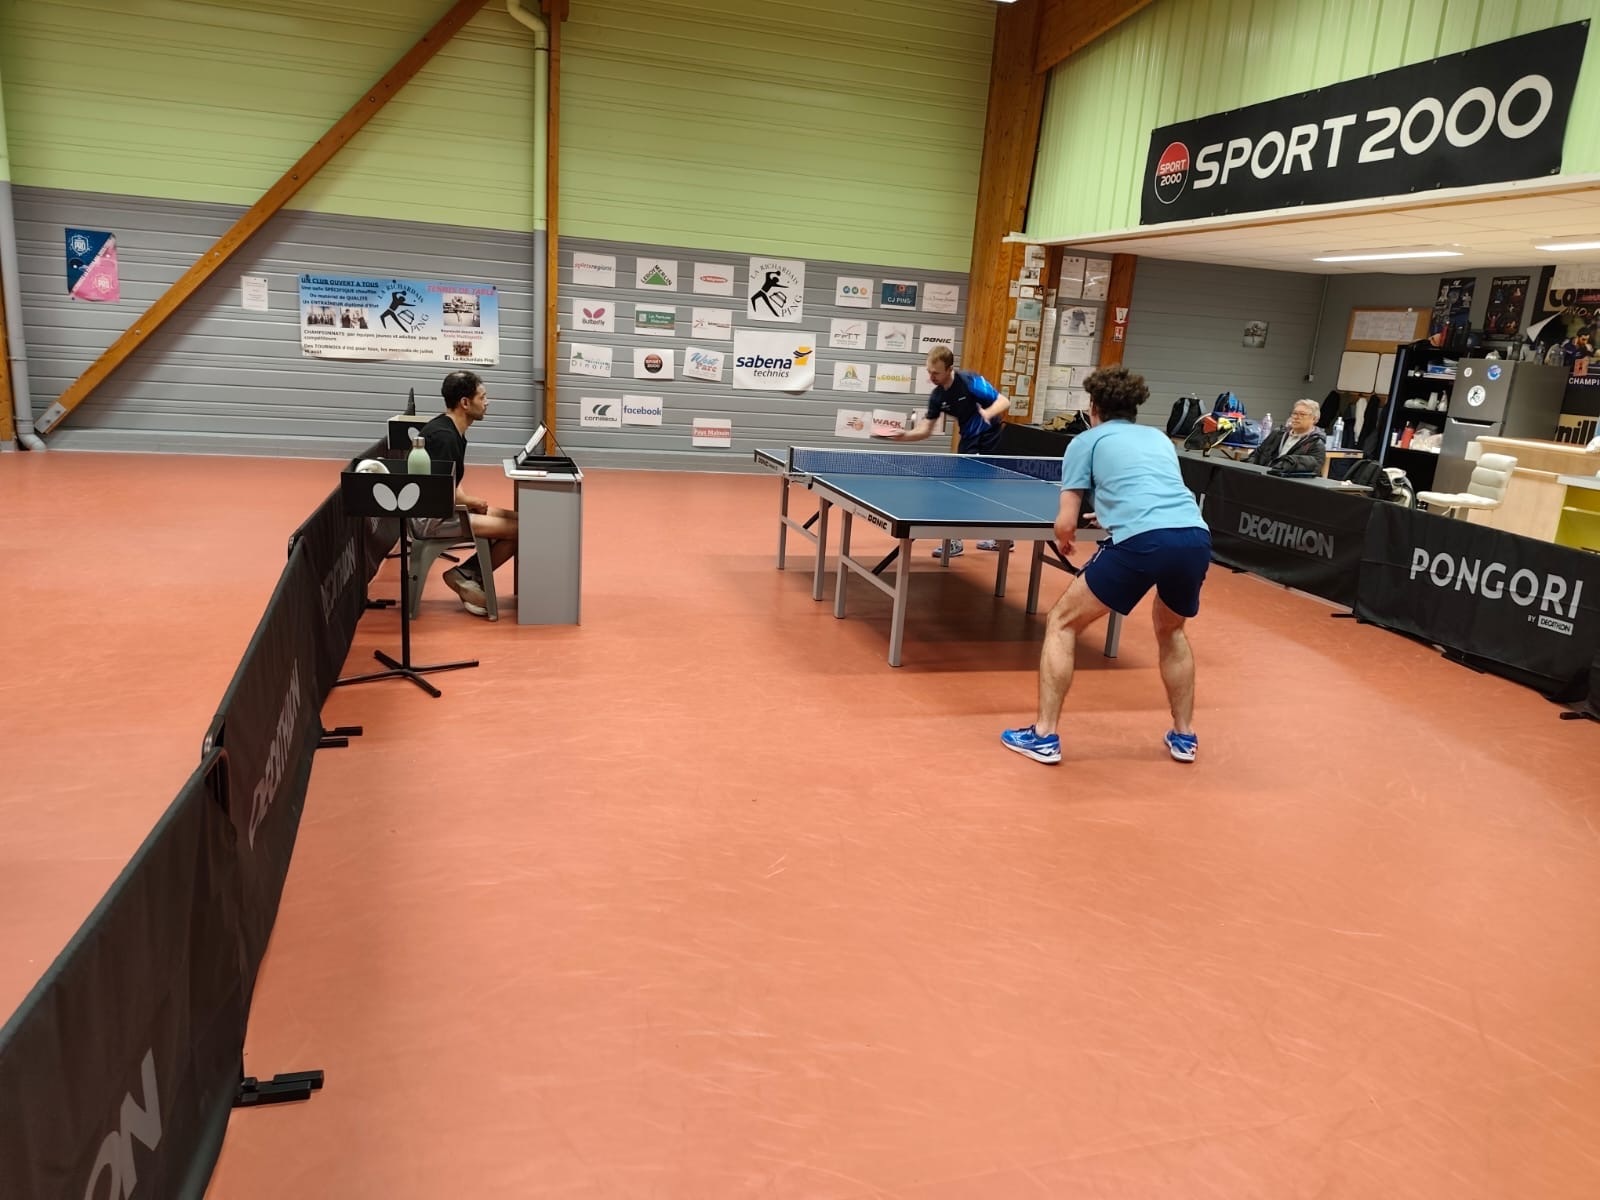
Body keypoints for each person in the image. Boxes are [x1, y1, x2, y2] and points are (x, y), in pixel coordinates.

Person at [1001, 365, 1211, 766]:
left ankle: (1043, 736)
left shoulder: (1085, 441)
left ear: (1093, 406)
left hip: (1143, 542)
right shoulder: (1159, 438)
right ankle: (1184, 735)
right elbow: (1153, 490)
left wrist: (1065, 538)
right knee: (1172, 630)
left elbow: (1065, 521)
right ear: (1134, 407)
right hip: (1194, 537)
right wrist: (1112, 512)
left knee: (1062, 622)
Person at [414, 370, 518, 617]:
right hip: (432, 519)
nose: (487, 402)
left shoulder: (452, 431)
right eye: (482, 397)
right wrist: (470, 501)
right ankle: (466, 574)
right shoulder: (444, 437)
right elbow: (441, 493)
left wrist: (468, 501)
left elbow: (450, 481)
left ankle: (466, 574)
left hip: (445, 508)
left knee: (517, 519)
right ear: (465, 402)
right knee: (522, 531)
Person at [891, 344, 1011, 557]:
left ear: (949, 369)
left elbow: (1004, 401)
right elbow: (926, 430)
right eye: (929, 372)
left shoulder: (970, 381)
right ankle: (996, 538)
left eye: (936, 373)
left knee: (972, 489)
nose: (931, 377)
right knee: (965, 488)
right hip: (969, 440)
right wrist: (904, 436)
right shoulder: (938, 396)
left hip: (990, 437)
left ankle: (964, 540)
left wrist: (988, 413)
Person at [1246, 398, 1326, 474]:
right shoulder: (1278, 433)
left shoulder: (1316, 443)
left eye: (1302, 414)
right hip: (1261, 476)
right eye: (1294, 413)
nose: (1296, 417)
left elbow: (1314, 471)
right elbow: (1256, 455)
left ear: (1314, 419)